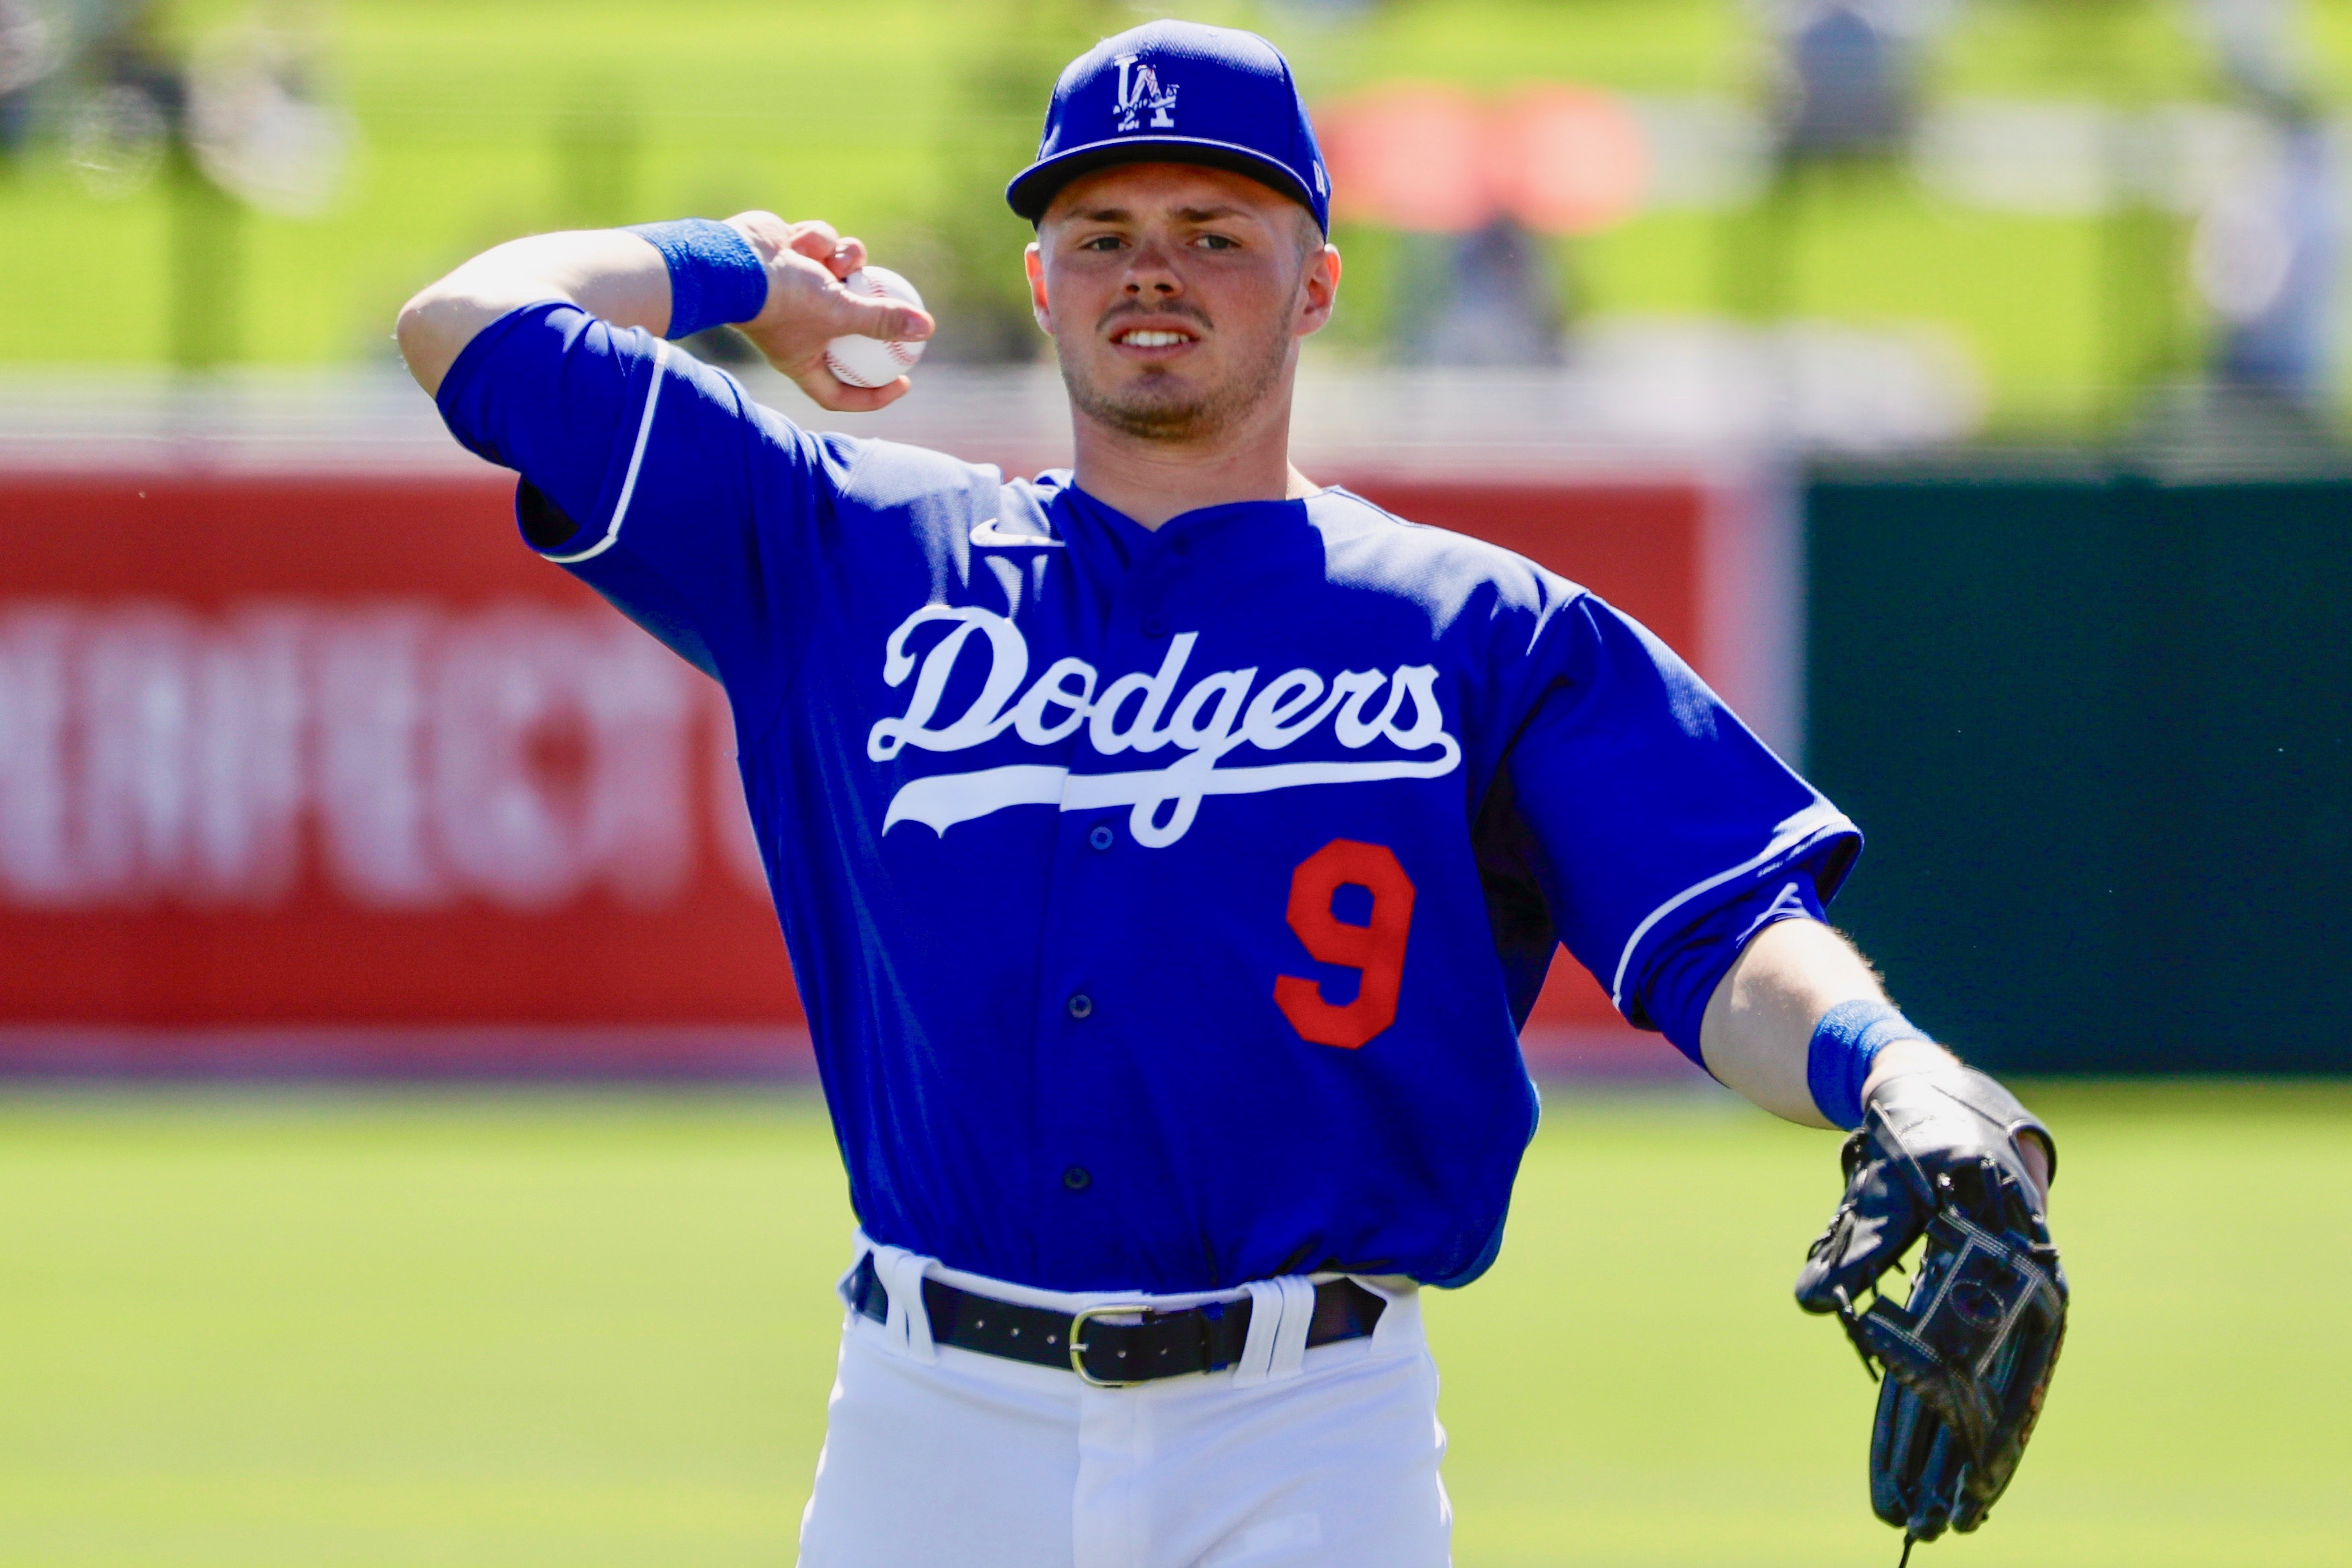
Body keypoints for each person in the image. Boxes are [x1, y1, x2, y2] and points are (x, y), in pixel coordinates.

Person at [394, 21, 2055, 1567]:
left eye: (1211, 228)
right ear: (1038, 282)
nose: (1150, 274)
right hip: (928, 1424)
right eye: (1101, 233)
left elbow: (1719, 931)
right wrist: (739, 269)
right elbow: (464, 329)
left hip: (1306, 1437)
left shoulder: (1471, 628)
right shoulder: (846, 553)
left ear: (1316, 282)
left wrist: (1889, 1068)